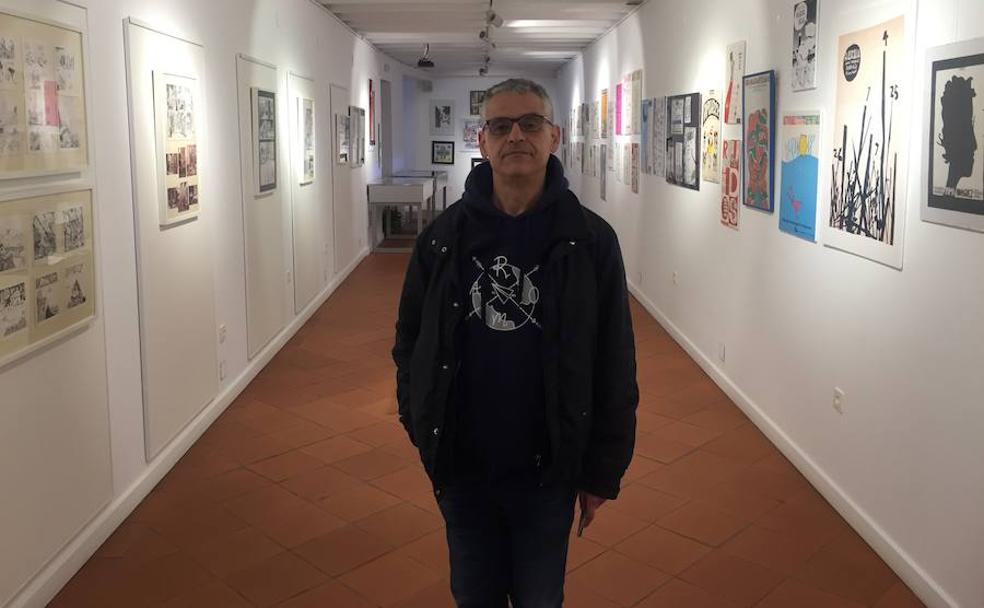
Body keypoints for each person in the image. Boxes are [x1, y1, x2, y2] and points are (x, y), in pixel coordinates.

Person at [392, 78, 638, 607]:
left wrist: (603, 469)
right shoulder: (442, 239)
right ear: (483, 141)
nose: (516, 136)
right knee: (473, 595)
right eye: (501, 126)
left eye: (530, 123)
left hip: (548, 470)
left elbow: (615, 361)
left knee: (539, 598)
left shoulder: (592, 242)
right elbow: (410, 339)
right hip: (463, 467)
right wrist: (419, 418)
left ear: (554, 135)